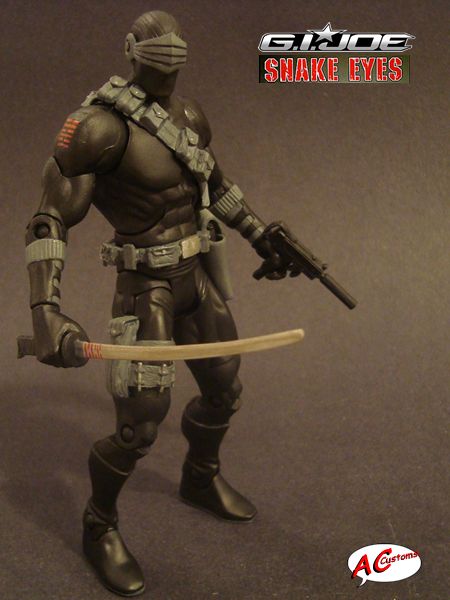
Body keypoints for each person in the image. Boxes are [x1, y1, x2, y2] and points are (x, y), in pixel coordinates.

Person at [25, 11, 297, 597]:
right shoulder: (98, 129)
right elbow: (49, 217)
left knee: (224, 389)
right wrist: (44, 310)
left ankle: (200, 476)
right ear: (132, 52)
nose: (168, 70)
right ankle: (99, 524)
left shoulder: (190, 117)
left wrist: (259, 234)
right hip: (144, 287)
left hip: (196, 277)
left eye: (175, 59)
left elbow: (215, 186)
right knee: (139, 427)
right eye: (158, 57)